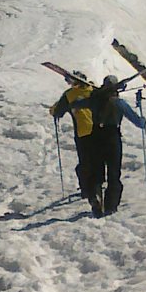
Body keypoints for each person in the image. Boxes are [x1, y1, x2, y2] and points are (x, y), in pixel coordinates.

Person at [78, 75, 146, 216]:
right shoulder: (119, 103)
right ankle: (111, 206)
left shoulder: (94, 101)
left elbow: (76, 104)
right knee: (114, 173)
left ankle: (95, 196)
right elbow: (139, 123)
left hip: (95, 136)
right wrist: (142, 116)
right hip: (112, 137)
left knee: (96, 171)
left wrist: (92, 95)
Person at [50, 71, 98, 208]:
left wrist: (54, 108)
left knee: (85, 161)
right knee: (97, 160)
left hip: (82, 133)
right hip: (99, 131)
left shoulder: (69, 95)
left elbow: (57, 112)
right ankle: (96, 186)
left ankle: (86, 189)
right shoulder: (94, 91)